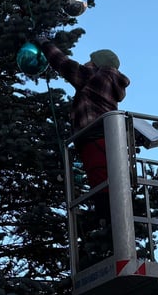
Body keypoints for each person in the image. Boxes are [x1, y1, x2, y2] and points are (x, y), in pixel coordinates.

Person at [37, 36, 130, 227]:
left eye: (90, 60)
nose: (86, 63)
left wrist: (46, 45)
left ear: (97, 64)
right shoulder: (107, 82)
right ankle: (108, 222)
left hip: (94, 139)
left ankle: (108, 223)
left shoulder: (96, 77)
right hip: (103, 140)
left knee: (101, 183)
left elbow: (65, 65)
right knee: (104, 180)